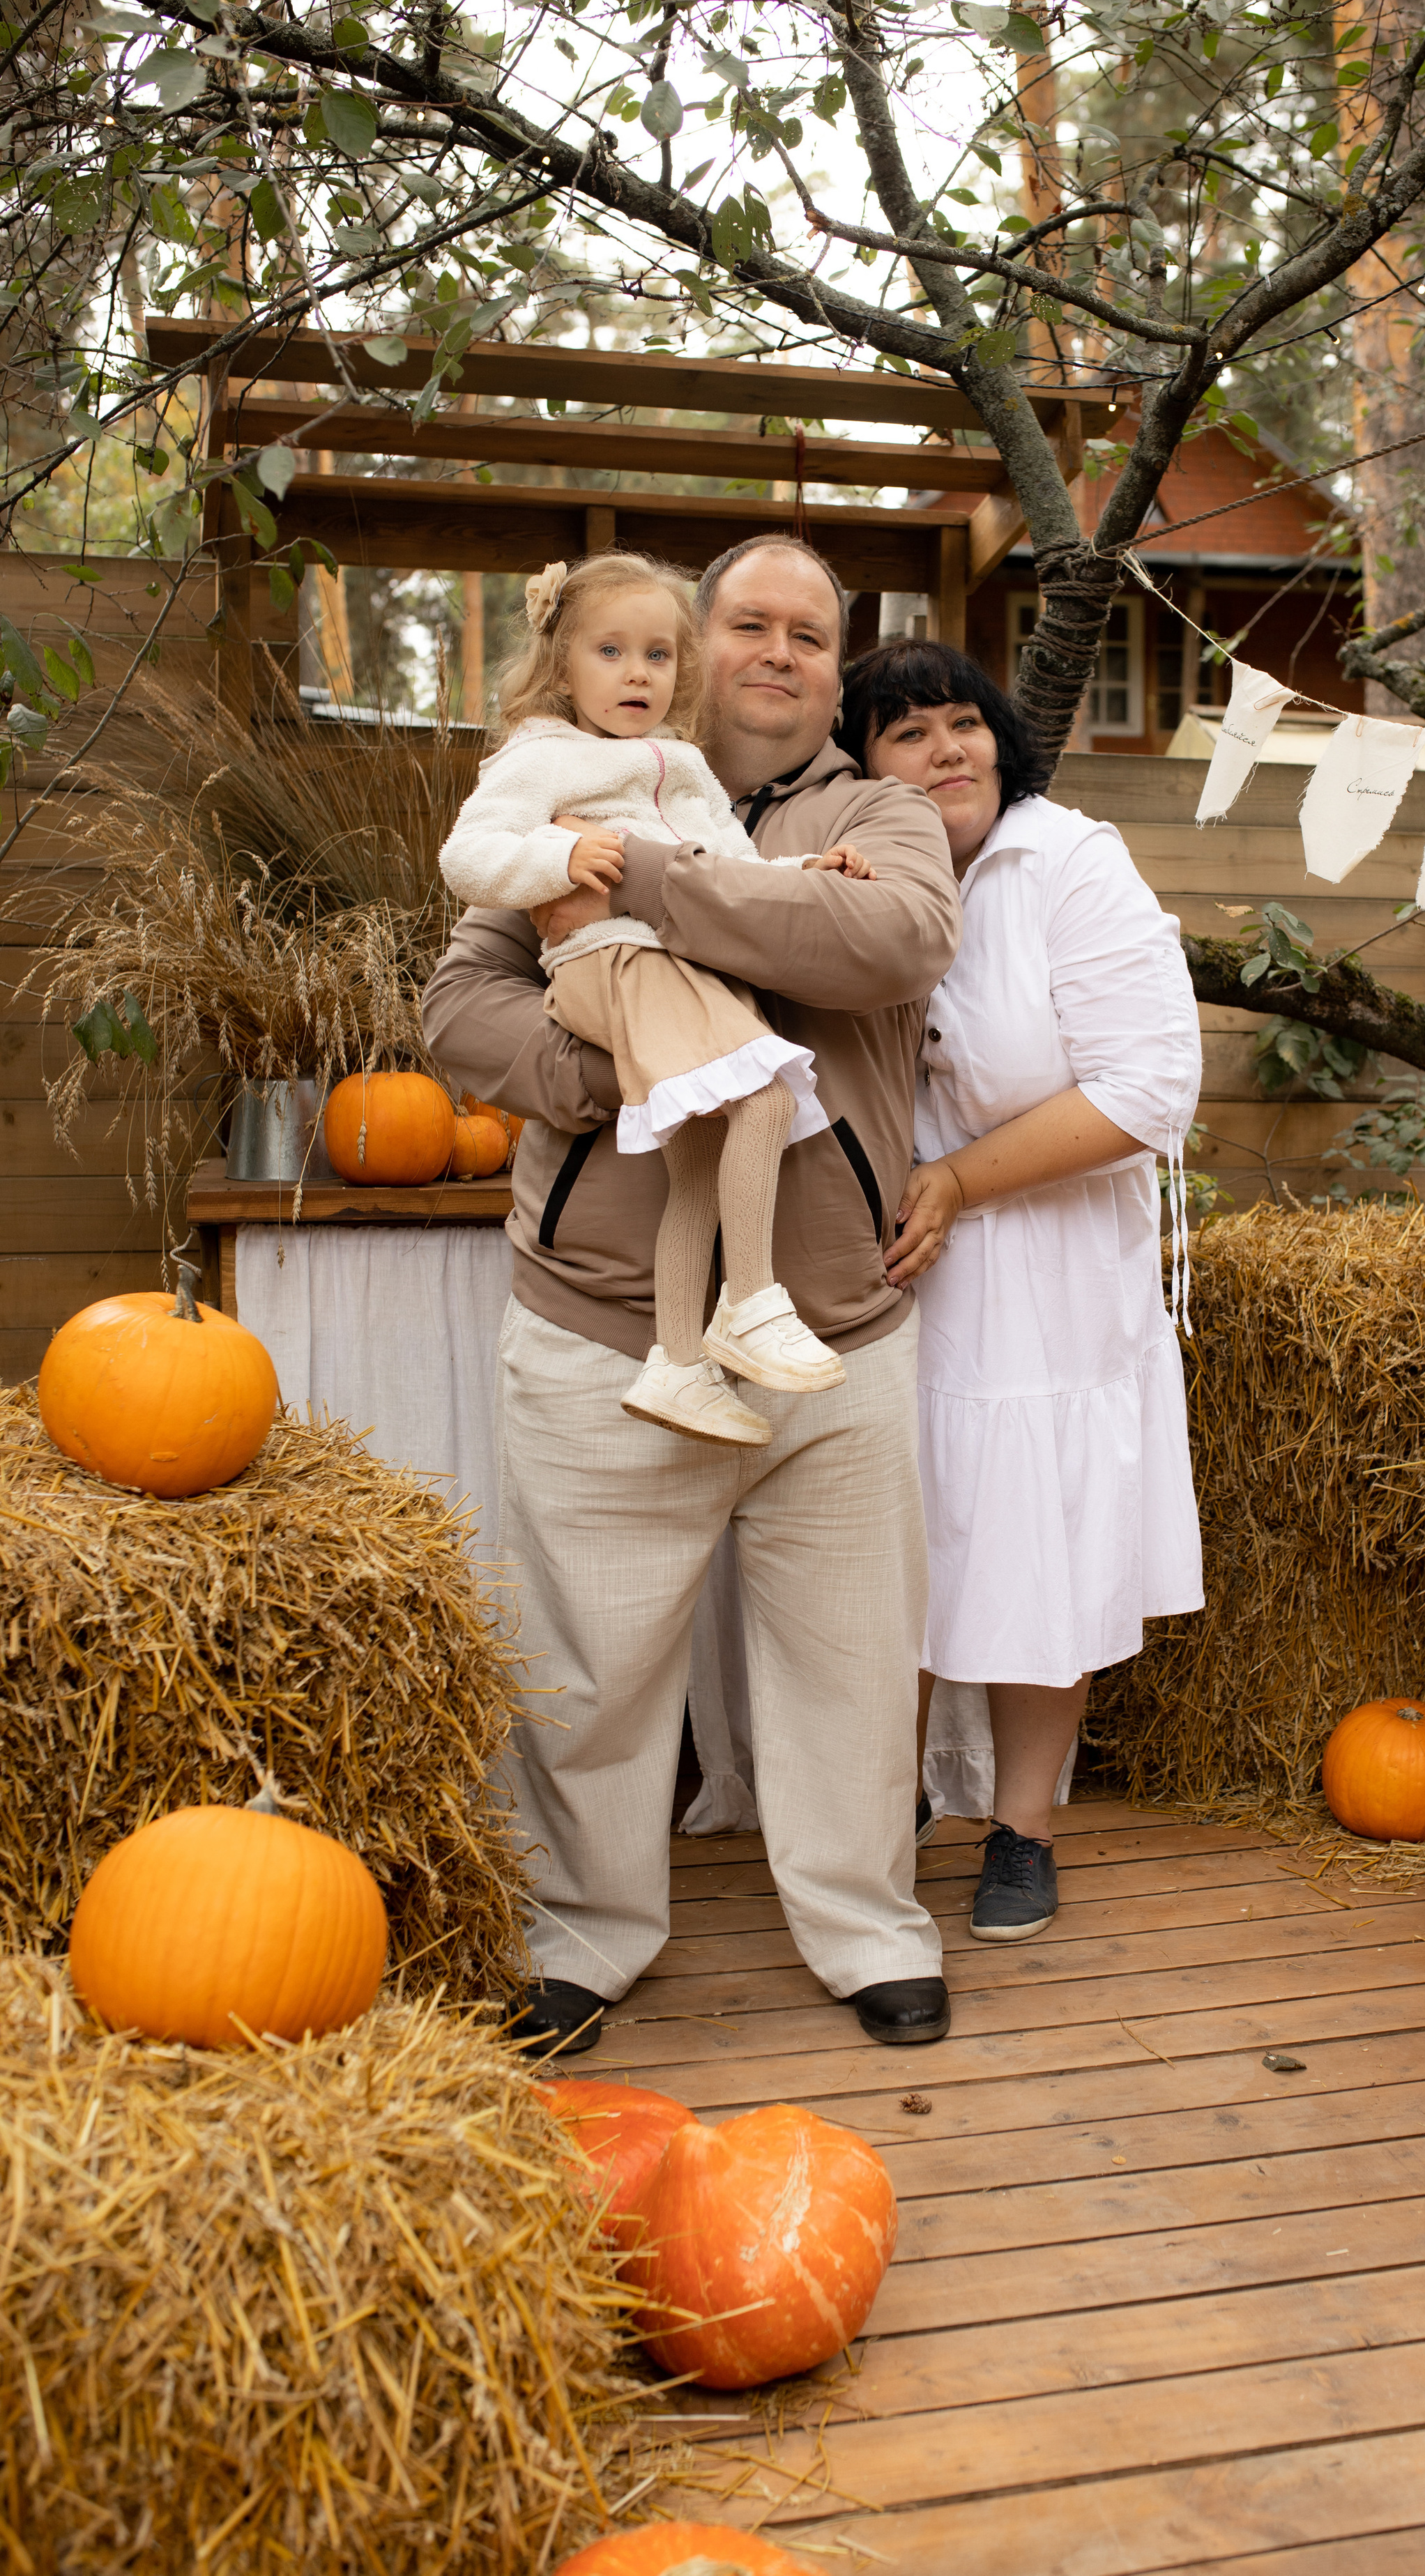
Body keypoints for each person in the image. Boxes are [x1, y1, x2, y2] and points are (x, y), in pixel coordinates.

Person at [421, 535, 961, 2056]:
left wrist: (654, 879)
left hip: (834, 1330)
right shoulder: (566, 781)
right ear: (680, 639)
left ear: (832, 669)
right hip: (600, 1315)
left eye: (810, 631)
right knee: (585, 1667)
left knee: (852, 1665)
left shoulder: (877, 811)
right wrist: (626, 1078)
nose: (777, 650)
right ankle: (582, 1933)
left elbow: (883, 943)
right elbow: (462, 1001)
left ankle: (864, 1928)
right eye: (747, 622)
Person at [837, 638, 1204, 1945]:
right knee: (894, 1556)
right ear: (860, 766)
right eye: (905, 735)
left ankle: (1023, 1830)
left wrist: (955, 1185)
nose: (946, 752)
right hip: (884, 1276)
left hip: (1040, 1271)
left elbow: (1148, 1089)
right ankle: (867, 1828)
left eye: (961, 725)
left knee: (1034, 1553)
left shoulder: (1068, 864)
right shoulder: (854, 871)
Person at [438, 549, 874, 1446]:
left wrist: (804, 870)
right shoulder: (541, 755)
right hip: (612, 966)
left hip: (669, 967)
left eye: (658, 655)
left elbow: (730, 872)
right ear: (562, 666)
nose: (638, 673)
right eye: (610, 652)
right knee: (758, 1097)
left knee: (699, 1167)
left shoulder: (679, 761)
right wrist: (558, 861)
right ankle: (750, 1301)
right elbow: (466, 857)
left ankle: (677, 1362)